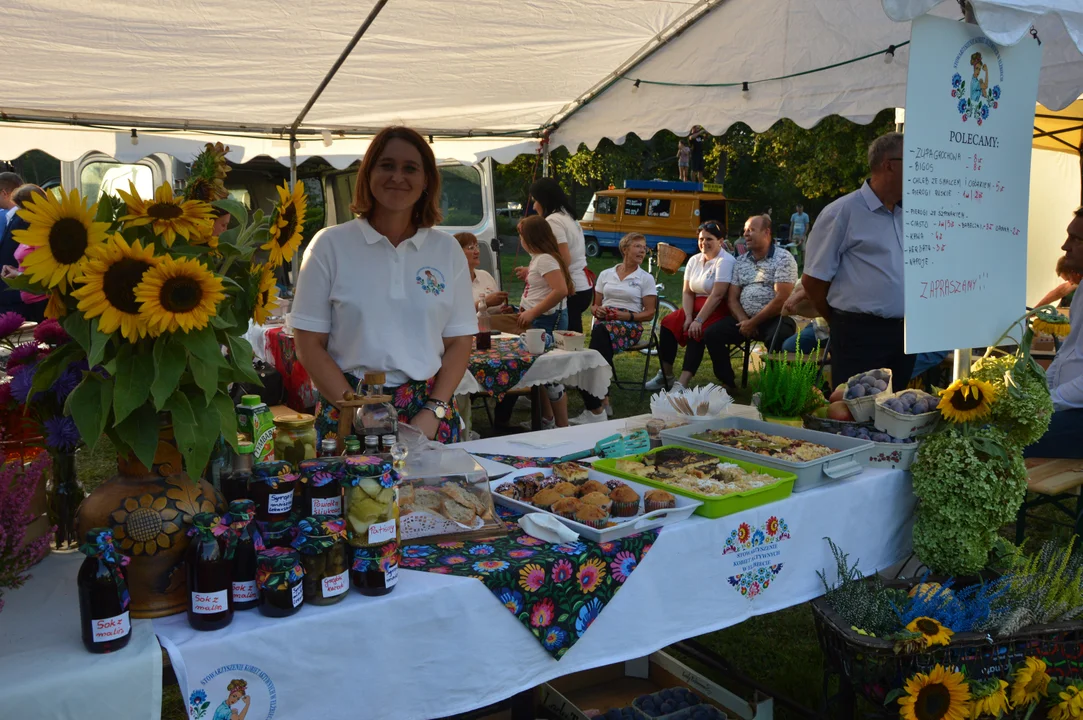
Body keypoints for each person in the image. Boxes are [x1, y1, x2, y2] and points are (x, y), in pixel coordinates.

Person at [291, 126, 477, 445]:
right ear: (368, 173)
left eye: (410, 168)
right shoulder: (329, 245)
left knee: (434, 496)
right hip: (347, 409)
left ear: (426, 180)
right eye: (387, 165)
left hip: (427, 414)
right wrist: (359, 411)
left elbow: (460, 341)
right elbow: (308, 343)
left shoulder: (447, 251)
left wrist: (433, 411)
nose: (397, 177)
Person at [802, 131, 914, 392]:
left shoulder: (905, 215)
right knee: (855, 412)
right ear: (889, 165)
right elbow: (813, 280)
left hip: (903, 334)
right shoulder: (842, 212)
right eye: (913, 161)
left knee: (896, 410)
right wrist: (838, 321)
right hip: (860, 334)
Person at [493, 215, 573, 429]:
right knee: (540, 373)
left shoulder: (546, 259)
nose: (520, 239)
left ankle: (562, 426)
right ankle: (547, 419)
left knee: (549, 373)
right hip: (537, 318)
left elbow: (561, 290)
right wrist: (530, 273)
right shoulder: (540, 258)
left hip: (545, 320)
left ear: (531, 237)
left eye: (521, 235)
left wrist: (532, 312)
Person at [570, 233, 658, 424]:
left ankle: (599, 403)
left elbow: (650, 313)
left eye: (644, 247)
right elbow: (594, 306)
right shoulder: (606, 274)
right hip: (606, 322)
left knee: (597, 344)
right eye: (638, 246)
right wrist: (598, 311)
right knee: (601, 341)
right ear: (625, 249)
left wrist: (625, 316)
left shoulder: (645, 278)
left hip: (631, 325)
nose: (643, 250)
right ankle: (602, 402)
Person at [704, 214, 798, 387]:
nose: (745, 234)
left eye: (751, 230)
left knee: (779, 335)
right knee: (712, 333)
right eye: (745, 230)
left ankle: (772, 385)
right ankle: (727, 383)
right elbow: (732, 299)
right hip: (744, 320)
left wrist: (754, 322)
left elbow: (781, 298)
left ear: (766, 232)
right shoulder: (740, 261)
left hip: (775, 318)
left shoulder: (783, 258)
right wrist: (744, 321)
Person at [644, 221, 734, 392]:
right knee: (668, 323)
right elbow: (687, 292)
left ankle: (683, 382)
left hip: (716, 308)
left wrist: (698, 320)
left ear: (720, 241)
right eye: (701, 239)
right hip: (693, 307)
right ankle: (666, 375)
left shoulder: (725, 261)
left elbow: (717, 294)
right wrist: (688, 316)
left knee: (696, 331)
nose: (704, 243)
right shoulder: (694, 260)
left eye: (709, 239)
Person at [1026, 209, 1083, 459]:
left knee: (998, 435)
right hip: (1065, 408)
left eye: (1076, 239)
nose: (1064, 246)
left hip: (1077, 415)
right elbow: (1067, 354)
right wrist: (1042, 392)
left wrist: (1046, 404)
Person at [527, 178, 591, 332]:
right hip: (581, 285)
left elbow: (564, 259)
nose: (534, 206)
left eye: (535, 201)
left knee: (565, 342)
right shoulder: (567, 216)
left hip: (572, 288)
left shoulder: (553, 221)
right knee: (573, 339)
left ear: (544, 200)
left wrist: (543, 271)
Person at [1, 184, 47, 320]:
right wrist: (15, 270)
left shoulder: (44, 232)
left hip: (41, 301)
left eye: (20, 208)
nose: (19, 213)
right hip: (29, 299)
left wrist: (18, 274)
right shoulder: (32, 229)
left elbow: (44, 274)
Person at [455, 232, 508, 311]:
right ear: (457, 252)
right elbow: (454, 315)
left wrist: (505, 310)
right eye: (471, 248)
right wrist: (484, 302)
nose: (477, 251)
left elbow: (499, 309)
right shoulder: (451, 282)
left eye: (477, 246)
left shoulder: (485, 275)